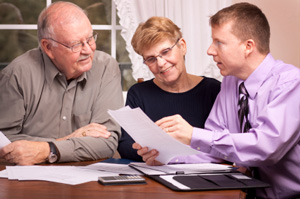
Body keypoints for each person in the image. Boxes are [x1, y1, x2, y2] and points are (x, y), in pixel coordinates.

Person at [133, 3, 300, 199]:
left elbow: (265, 148)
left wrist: (192, 134)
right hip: (243, 194)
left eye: (219, 42)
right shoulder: (230, 83)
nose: (210, 50)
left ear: (248, 46)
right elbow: (215, 148)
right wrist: (168, 159)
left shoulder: (291, 83)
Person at [0, 1, 123, 165]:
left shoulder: (106, 68)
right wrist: (68, 139)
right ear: (48, 47)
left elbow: (107, 143)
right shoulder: (17, 74)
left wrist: (47, 150)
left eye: (90, 38)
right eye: (76, 44)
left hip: (89, 179)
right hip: (31, 180)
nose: (88, 50)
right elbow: (5, 142)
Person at [117, 16, 223, 164]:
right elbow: (126, 146)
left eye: (165, 51)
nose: (160, 63)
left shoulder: (213, 89)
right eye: (151, 59)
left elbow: (224, 144)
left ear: (183, 46)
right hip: (154, 179)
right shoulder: (139, 93)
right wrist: (150, 153)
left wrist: (171, 154)